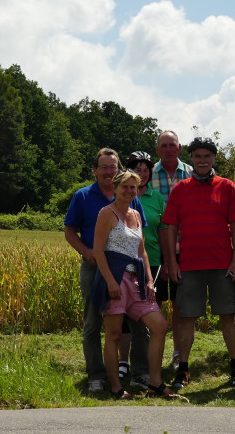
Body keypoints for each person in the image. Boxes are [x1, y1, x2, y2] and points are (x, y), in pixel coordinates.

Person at [162, 136, 235, 390]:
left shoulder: (227, 187)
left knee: (227, 316)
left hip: (222, 263)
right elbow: (170, 227)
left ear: (213, 159)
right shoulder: (180, 188)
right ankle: (184, 370)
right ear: (191, 159)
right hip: (188, 264)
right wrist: (172, 263)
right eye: (197, 156)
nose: (202, 160)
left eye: (207, 156)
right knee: (186, 317)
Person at [63, 148, 148, 393]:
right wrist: (86, 252)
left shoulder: (132, 196)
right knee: (92, 323)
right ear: (95, 170)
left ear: (119, 169)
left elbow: (140, 234)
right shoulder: (83, 196)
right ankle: (96, 375)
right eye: (104, 167)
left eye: (113, 167)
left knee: (138, 321)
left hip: (129, 270)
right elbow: (70, 231)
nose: (109, 172)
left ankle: (140, 373)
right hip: (94, 268)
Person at [90, 171, 174, 399]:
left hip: (136, 279)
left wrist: (148, 280)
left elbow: (142, 251)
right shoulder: (106, 213)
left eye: (133, 188)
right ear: (115, 188)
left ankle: (155, 383)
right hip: (114, 278)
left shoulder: (137, 213)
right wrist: (110, 282)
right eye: (125, 187)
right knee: (114, 334)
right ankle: (117, 388)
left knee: (159, 326)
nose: (129, 191)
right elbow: (98, 250)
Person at [116, 151, 167, 377]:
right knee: (123, 318)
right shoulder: (122, 197)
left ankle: (144, 366)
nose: (142, 174)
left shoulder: (157, 199)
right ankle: (123, 362)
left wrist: (167, 261)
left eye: (146, 170)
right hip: (125, 264)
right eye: (138, 169)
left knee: (147, 317)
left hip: (151, 262)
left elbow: (163, 231)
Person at [149, 130, 193, 370]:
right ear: (157, 150)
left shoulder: (192, 173)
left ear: (179, 147)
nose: (168, 149)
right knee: (151, 304)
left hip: (185, 249)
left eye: (172, 145)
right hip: (154, 251)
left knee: (180, 305)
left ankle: (178, 355)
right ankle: (150, 356)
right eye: (163, 145)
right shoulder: (145, 174)